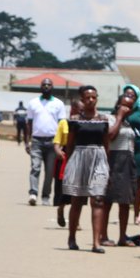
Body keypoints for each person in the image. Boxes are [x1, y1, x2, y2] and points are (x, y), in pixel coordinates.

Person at [63, 86, 119, 252]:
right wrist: (68, 166)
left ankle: (96, 242)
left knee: (98, 199)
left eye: (93, 97)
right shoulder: (74, 119)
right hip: (79, 158)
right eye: (87, 98)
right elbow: (70, 144)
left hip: (99, 158)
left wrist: (107, 166)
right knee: (77, 200)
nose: (90, 100)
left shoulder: (103, 119)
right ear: (82, 99)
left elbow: (106, 144)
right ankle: (72, 238)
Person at [103, 91, 140, 247]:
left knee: (125, 202)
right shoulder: (110, 119)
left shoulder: (129, 124)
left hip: (127, 162)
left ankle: (122, 237)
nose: (127, 109)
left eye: (130, 107)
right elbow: (110, 136)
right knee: (107, 200)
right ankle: (103, 235)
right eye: (124, 105)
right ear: (118, 106)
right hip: (114, 161)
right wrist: (119, 116)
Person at [25, 78, 67, 206]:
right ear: (40, 87)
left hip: (53, 142)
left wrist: (61, 145)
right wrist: (27, 141)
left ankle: (45, 196)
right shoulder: (33, 103)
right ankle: (33, 193)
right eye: (44, 85)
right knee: (35, 167)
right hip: (37, 141)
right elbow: (29, 124)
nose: (46, 86)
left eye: (49, 84)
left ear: (52, 87)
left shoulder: (59, 104)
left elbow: (62, 124)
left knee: (50, 172)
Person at [53, 97, 80, 229]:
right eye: (79, 109)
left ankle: (76, 221)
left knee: (78, 190)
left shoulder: (85, 122)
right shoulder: (64, 123)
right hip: (65, 156)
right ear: (73, 109)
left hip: (80, 155)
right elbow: (57, 141)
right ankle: (61, 209)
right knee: (64, 189)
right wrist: (58, 151)